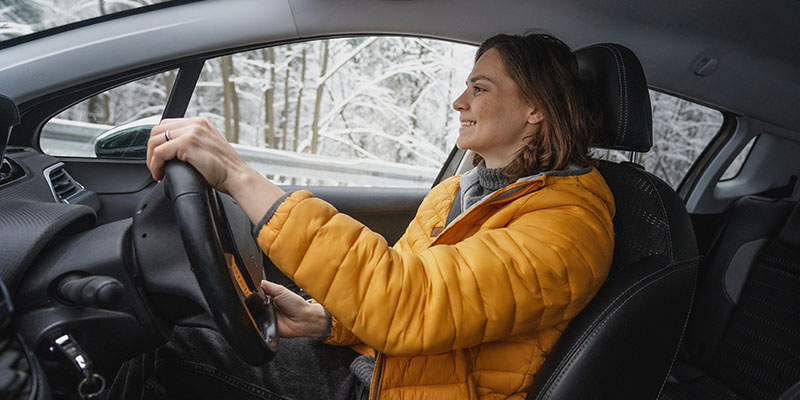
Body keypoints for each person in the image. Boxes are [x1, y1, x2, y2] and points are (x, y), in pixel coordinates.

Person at [111, 33, 615, 400]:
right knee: (173, 330)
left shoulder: (567, 228)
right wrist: (326, 320)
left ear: (536, 108)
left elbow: (408, 303)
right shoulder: (460, 193)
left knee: (174, 347)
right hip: (394, 371)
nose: (459, 101)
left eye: (480, 89)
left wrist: (240, 178)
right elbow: (400, 298)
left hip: (407, 390)